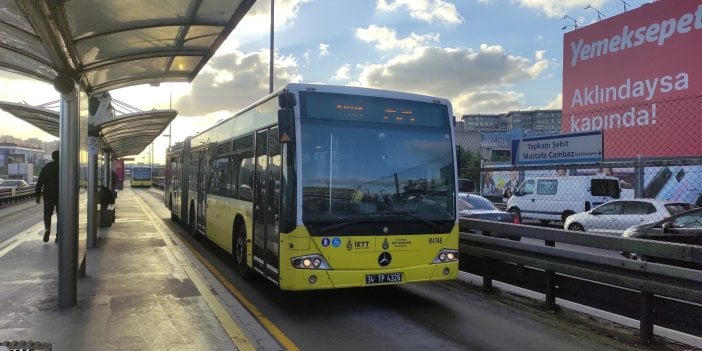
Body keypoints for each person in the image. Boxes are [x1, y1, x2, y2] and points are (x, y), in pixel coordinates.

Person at [35, 150, 59, 243]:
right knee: (60, 215)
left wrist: (37, 195)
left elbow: (40, 182)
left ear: (52, 157)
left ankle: (47, 229)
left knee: (47, 213)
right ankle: (58, 235)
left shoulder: (46, 168)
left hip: (48, 194)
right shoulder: (63, 167)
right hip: (61, 194)